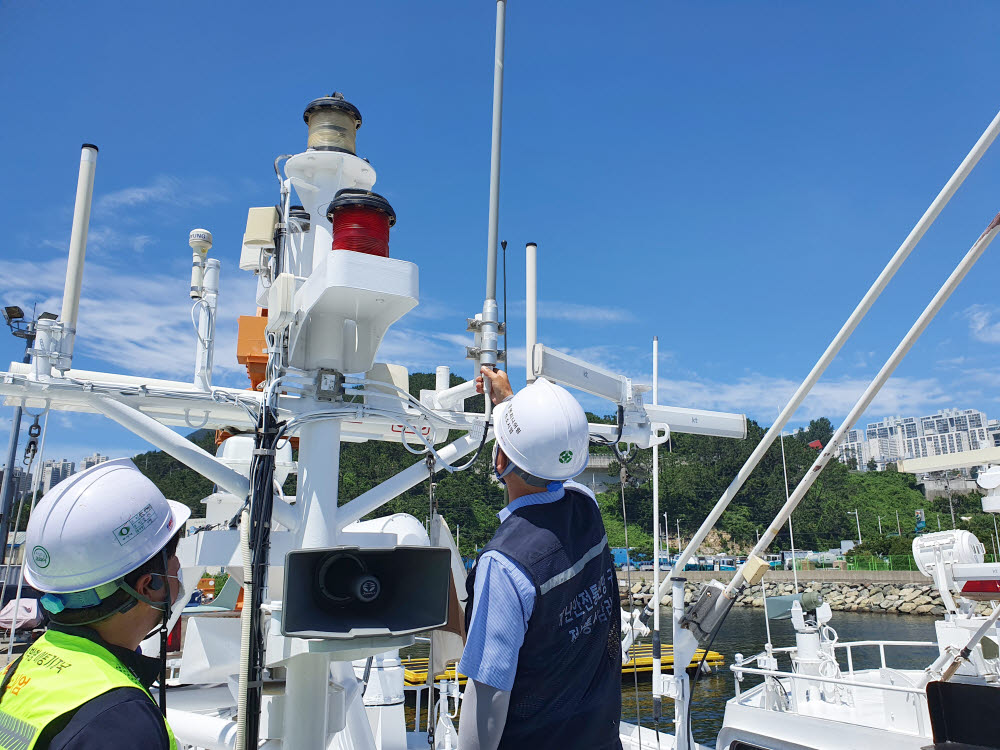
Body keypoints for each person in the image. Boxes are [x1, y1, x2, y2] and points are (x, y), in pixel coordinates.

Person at [458, 368, 622, 750]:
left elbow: (488, 696)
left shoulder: (504, 566)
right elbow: (554, 469)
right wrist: (513, 408)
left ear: (500, 461)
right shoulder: (586, 505)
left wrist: (509, 410)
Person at [0, 458, 189, 750]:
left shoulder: (25, 664)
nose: (179, 574)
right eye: (175, 566)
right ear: (150, 585)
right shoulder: (120, 721)